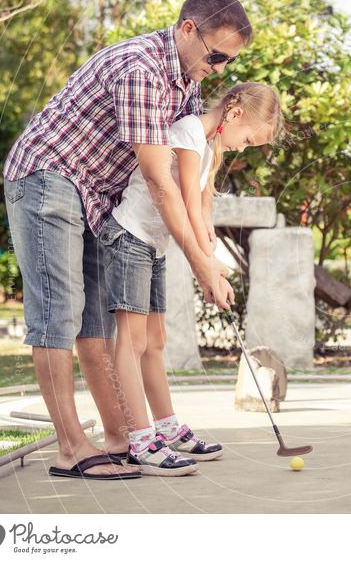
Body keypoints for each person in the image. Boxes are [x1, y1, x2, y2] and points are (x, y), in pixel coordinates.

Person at [3, 0, 249, 480]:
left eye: (229, 61)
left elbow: (188, 180)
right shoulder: (140, 68)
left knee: (95, 322)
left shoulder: (186, 82)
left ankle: (119, 437)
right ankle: (72, 448)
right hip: (49, 177)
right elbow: (159, 181)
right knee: (58, 314)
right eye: (216, 55)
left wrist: (204, 248)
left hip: (97, 197)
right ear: (187, 30)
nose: (219, 69)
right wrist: (202, 265)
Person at [103, 83, 283, 475]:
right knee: (132, 341)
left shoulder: (208, 146)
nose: (243, 147)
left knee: (155, 340)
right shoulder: (187, 132)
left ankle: (166, 428)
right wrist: (206, 267)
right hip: (129, 235)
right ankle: (140, 440)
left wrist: (212, 266)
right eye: (248, 139)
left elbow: (200, 212)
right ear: (234, 114)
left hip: (155, 244)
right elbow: (182, 200)